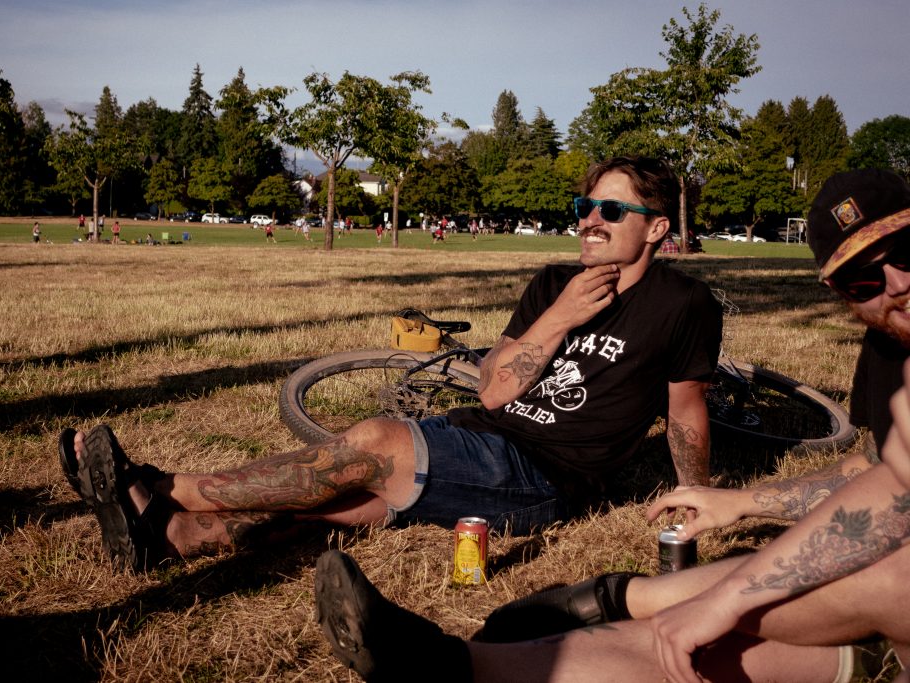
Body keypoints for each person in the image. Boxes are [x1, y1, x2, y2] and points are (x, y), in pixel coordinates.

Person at [313, 167, 910, 683]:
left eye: (906, 253)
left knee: (744, 611)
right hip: (881, 609)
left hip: (892, 586)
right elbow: (886, 478)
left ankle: (618, 598)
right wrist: (742, 503)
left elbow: (890, 521)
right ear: (836, 290)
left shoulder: (679, 304)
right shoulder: (886, 352)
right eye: (862, 279)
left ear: (655, 227)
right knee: (679, 638)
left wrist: (718, 595)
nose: (897, 284)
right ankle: (454, 665)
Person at [59, 156, 721, 573]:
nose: (590, 222)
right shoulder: (554, 284)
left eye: (611, 210)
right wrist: (561, 316)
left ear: (658, 227)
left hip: (547, 478)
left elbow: (685, 412)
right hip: (482, 436)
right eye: (585, 208)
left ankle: (164, 484)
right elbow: (493, 391)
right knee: (338, 505)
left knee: (374, 442)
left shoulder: (682, 303)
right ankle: (176, 537)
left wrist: (698, 497)